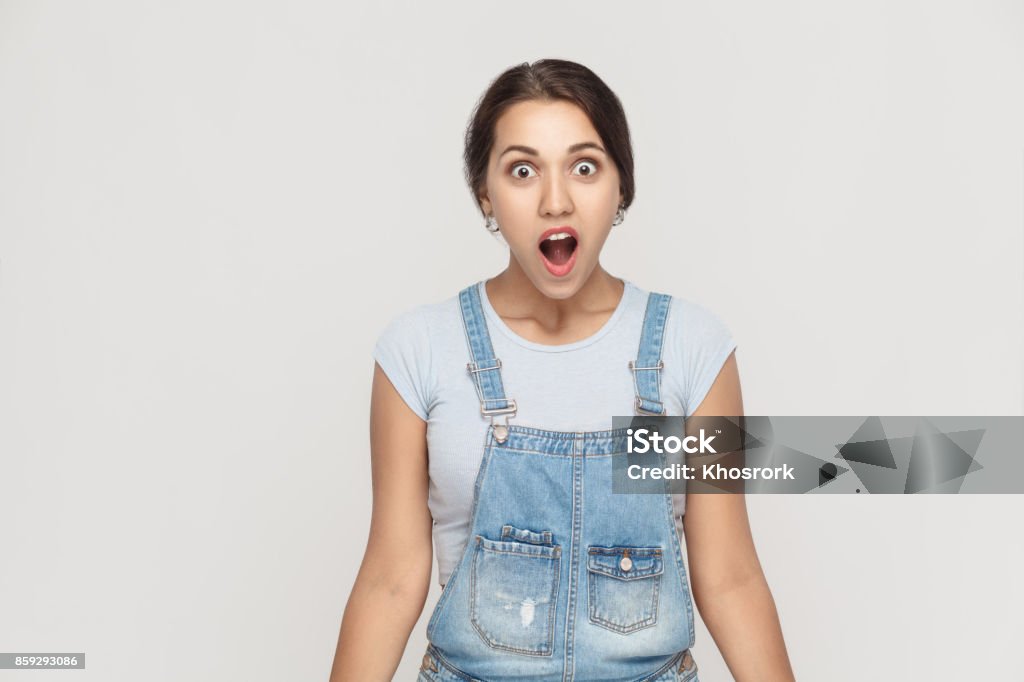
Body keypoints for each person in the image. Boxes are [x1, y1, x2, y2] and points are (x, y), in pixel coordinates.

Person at [330, 59, 795, 682]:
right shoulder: (420, 351)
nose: (556, 200)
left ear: (621, 187)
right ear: (485, 195)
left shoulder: (691, 348)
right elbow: (390, 580)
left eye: (584, 167)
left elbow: (730, 576)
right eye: (523, 171)